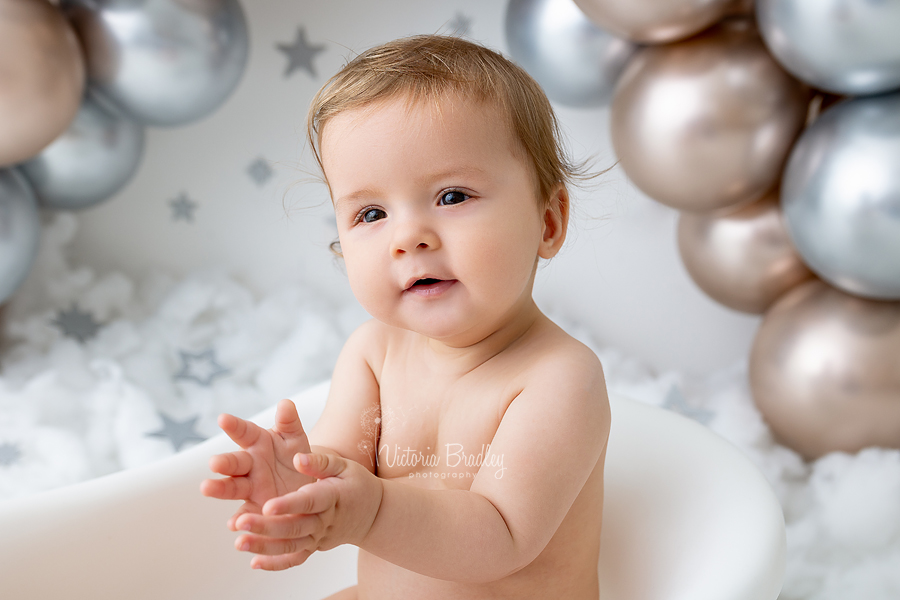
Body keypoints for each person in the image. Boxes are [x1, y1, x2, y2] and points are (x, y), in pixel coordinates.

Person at [200, 33, 612, 600]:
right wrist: (305, 490)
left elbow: (501, 535)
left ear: (547, 222)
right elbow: (341, 465)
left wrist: (366, 512)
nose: (408, 237)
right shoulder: (374, 353)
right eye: (371, 212)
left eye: (451, 197)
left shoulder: (558, 377)